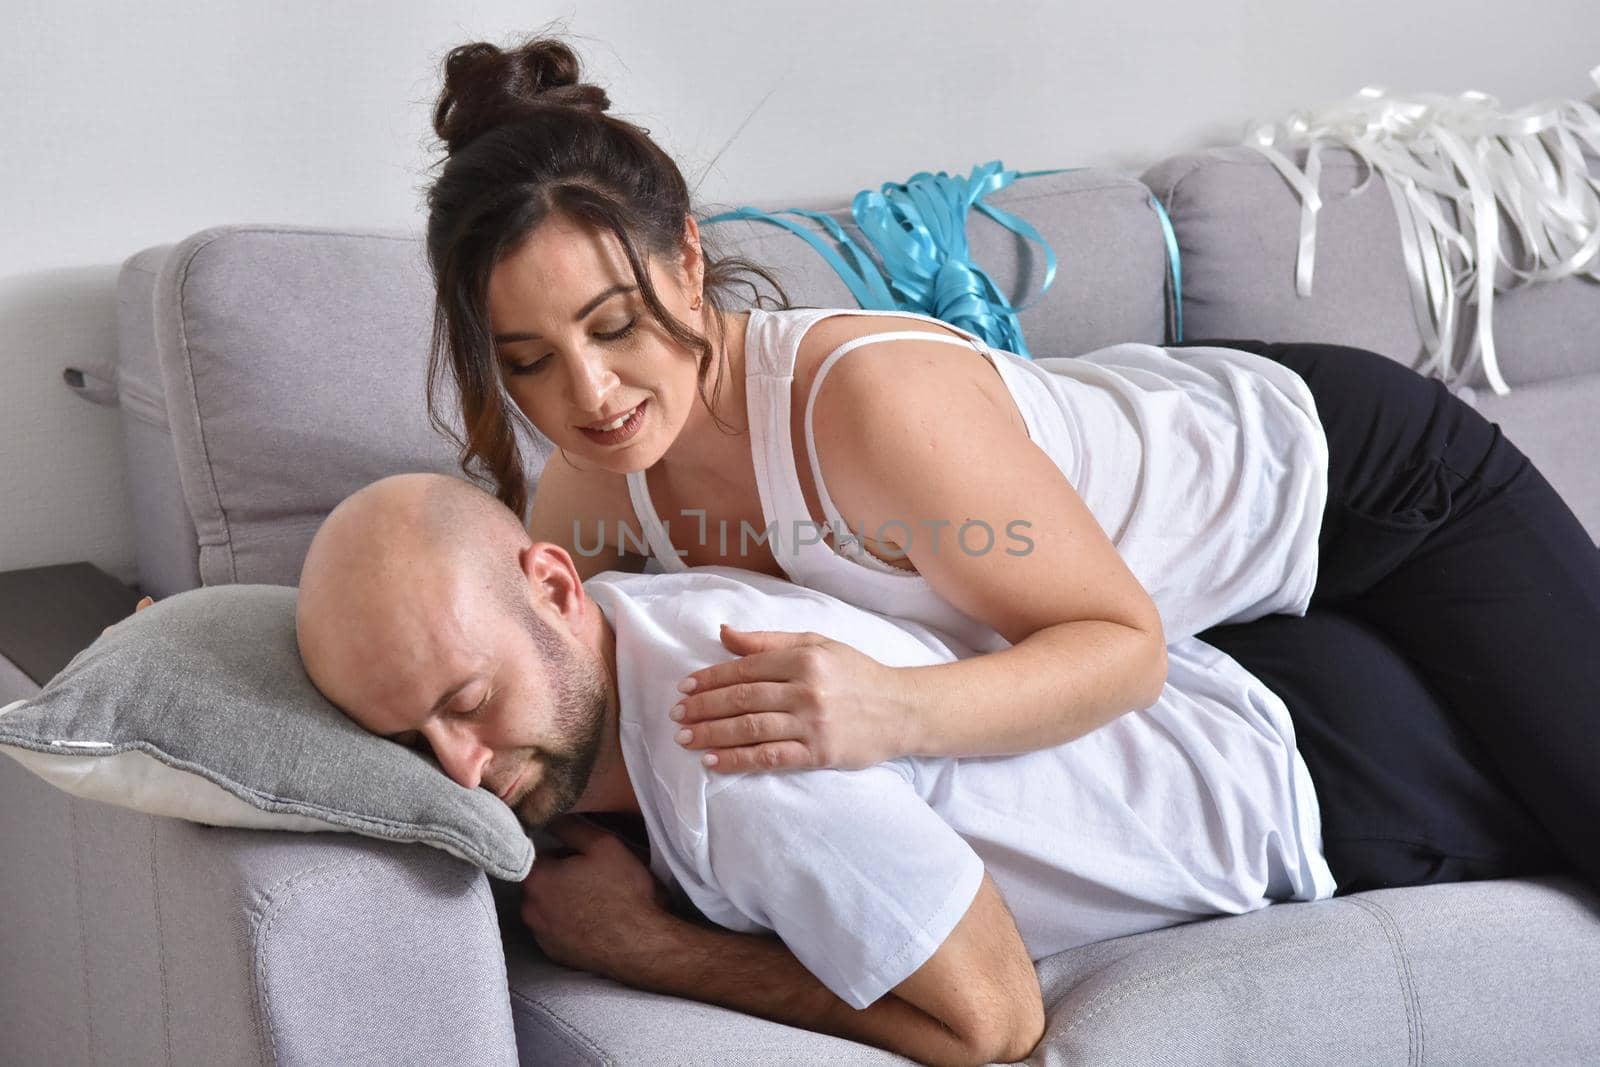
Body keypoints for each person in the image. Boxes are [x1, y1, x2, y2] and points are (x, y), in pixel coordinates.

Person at [418, 35, 1600, 890]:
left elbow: (1121, 648)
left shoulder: (865, 407)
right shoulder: (586, 492)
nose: (588, 396)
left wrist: (896, 709)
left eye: (615, 325)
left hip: (1355, 482)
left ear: (686, 261)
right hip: (1214, 617)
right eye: (527, 360)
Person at [291, 472, 1541, 1065]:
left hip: (1339, 776)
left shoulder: (744, 764)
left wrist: (648, 950)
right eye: (408, 740)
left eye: (468, 703)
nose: (456, 769)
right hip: (1267, 679)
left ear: (558, 588)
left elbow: (994, 1024)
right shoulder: (619, 629)